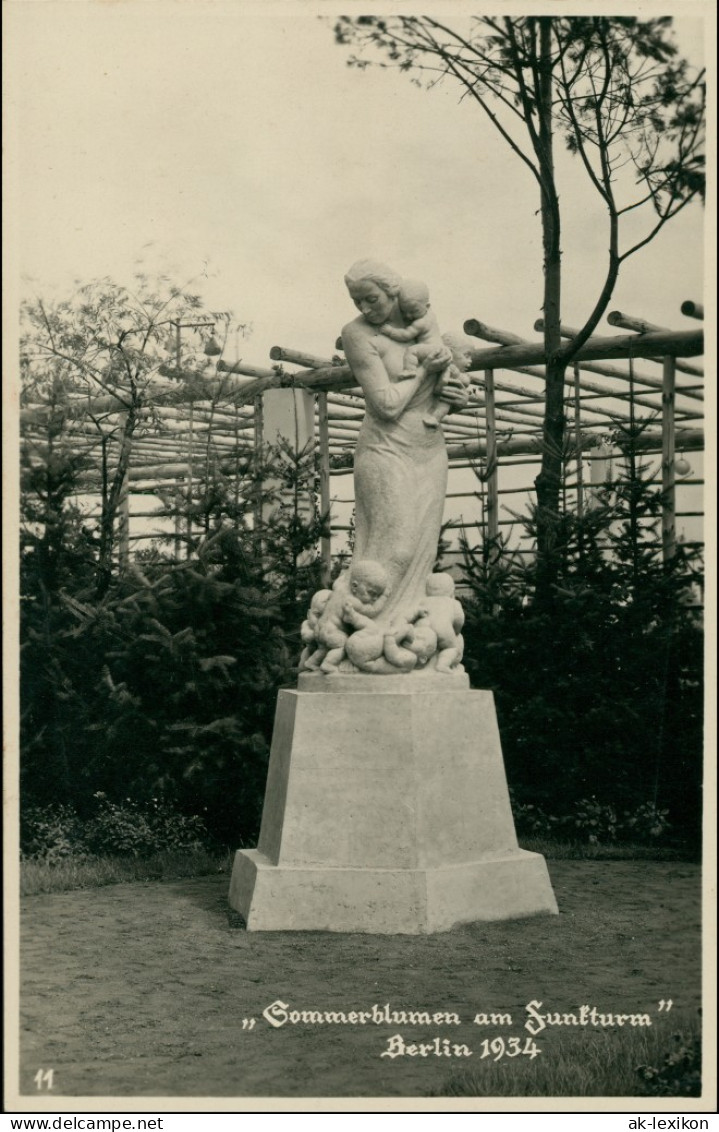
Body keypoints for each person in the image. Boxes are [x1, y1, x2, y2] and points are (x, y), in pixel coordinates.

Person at [338, 259, 468, 643]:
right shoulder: (357, 335)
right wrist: (427, 373)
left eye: (371, 298)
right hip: (385, 448)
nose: (364, 308)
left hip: (428, 450)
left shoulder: (423, 320)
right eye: (357, 301)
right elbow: (387, 405)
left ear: (393, 291)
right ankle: (363, 628)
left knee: (421, 552)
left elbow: (444, 381)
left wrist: (454, 394)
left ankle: (404, 638)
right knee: (394, 547)